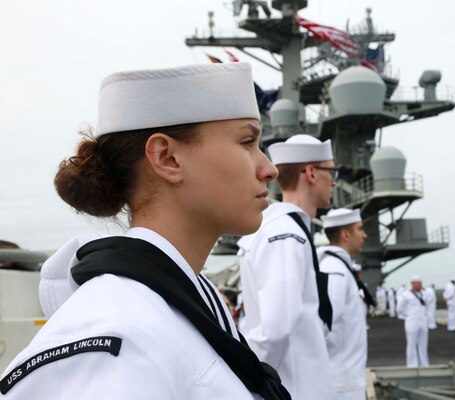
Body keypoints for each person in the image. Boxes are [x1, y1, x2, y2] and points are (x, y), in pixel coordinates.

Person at [0, 63, 291, 399]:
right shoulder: (119, 340)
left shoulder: (181, 304)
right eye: (247, 141)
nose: (268, 169)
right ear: (167, 158)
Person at [237, 134, 336, 399]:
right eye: (332, 170)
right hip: (294, 388)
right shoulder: (285, 235)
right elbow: (275, 329)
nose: (334, 180)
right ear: (311, 173)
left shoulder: (285, 229)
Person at [317, 208, 368, 400]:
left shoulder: (339, 268)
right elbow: (321, 327)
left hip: (346, 381)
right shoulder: (334, 271)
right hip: (340, 386)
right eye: (360, 229)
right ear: (346, 235)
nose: (365, 234)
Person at [397, 276, 429, 368]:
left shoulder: (423, 294)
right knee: (411, 344)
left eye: (421, 283)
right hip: (412, 321)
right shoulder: (406, 295)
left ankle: (424, 364)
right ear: (413, 284)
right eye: (419, 283)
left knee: (423, 344)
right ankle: (412, 365)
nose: (420, 285)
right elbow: (399, 309)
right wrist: (407, 316)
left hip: (423, 321)